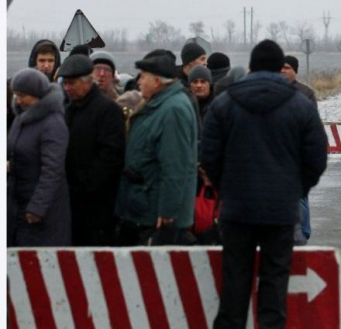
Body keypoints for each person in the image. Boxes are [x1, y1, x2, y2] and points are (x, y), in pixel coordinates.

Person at [202, 40, 328, 329]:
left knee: (234, 286)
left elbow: (209, 155)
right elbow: (317, 156)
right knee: (273, 288)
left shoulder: (225, 103)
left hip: (236, 210)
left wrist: (226, 188)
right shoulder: (300, 105)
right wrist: (297, 189)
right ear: (279, 67)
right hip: (280, 211)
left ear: (252, 66)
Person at [115, 52, 198, 246]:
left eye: (143, 77)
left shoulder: (173, 110)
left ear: (157, 81)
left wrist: (167, 212)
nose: (139, 82)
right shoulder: (159, 104)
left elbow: (175, 165)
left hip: (157, 215)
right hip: (144, 206)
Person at [58, 55, 126, 246]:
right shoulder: (69, 110)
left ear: (88, 81)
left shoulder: (107, 110)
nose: (67, 88)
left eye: (72, 83)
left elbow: (112, 155)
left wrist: (86, 184)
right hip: (72, 201)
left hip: (98, 205)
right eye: (65, 84)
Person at [7, 69, 71, 246]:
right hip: (18, 203)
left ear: (37, 95)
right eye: (16, 95)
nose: (18, 100)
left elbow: (52, 170)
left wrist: (37, 208)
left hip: (41, 211)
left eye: (23, 95)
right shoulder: (21, 119)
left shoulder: (53, 123)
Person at [281, 55, 317, 245]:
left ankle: (302, 234)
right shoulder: (272, 92)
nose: (283, 71)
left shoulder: (306, 94)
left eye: (287, 68)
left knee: (300, 197)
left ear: (295, 70)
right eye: (280, 68)